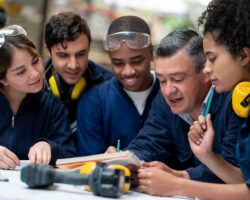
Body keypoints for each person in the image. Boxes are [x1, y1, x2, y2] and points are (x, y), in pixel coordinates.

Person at [137, 0, 250, 199]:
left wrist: (178, 185)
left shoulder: (235, 102)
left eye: (212, 58)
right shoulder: (244, 100)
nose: (207, 69)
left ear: (243, 55)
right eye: (162, 80)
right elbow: (242, 180)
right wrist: (207, 156)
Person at [107, 29, 243, 183]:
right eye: (162, 80)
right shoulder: (163, 100)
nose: (168, 91)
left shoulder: (235, 102)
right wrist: (126, 160)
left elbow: (236, 173)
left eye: (177, 79)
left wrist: (180, 178)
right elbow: (149, 142)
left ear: (206, 72)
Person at [76, 16, 160, 156]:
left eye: (137, 61)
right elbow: (90, 163)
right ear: (109, 58)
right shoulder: (94, 102)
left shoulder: (170, 95)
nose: (128, 71)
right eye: (118, 63)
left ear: (151, 53)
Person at [0, 25, 77, 169]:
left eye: (35, 61)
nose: (35, 74)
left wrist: (50, 147)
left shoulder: (53, 107)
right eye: (21, 71)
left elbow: (70, 157)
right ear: (3, 79)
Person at [44, 12, 113, 132]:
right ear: (48, 51)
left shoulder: (109, 84)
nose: (73, 65)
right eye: (63, 55)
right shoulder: (32, 82)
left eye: (81, 54)